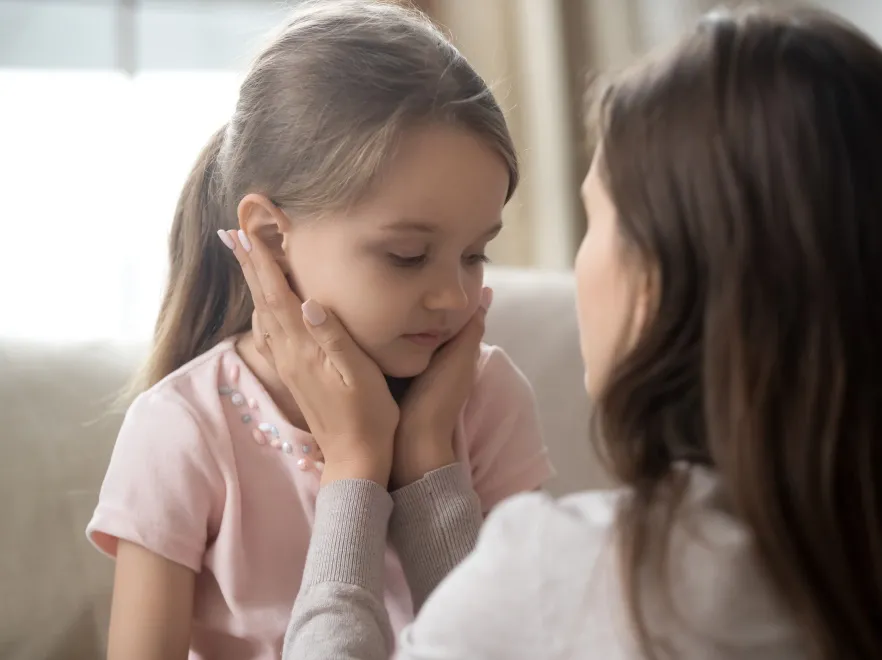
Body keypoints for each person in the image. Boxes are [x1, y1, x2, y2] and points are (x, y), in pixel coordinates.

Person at [229, 6, 882, 660]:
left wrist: (353, 468)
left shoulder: (576, 574)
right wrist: (428, 453)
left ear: (657, 279)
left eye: (595, 218)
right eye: (407, 255)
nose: (453, 296)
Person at [85, 2, 553, 658]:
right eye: (406, 256)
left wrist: (429, 457)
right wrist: (361, 461)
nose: (454, 295)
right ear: (273, 238)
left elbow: (511, 647)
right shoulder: (182, 430)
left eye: (476, 254)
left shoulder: (487, 400)